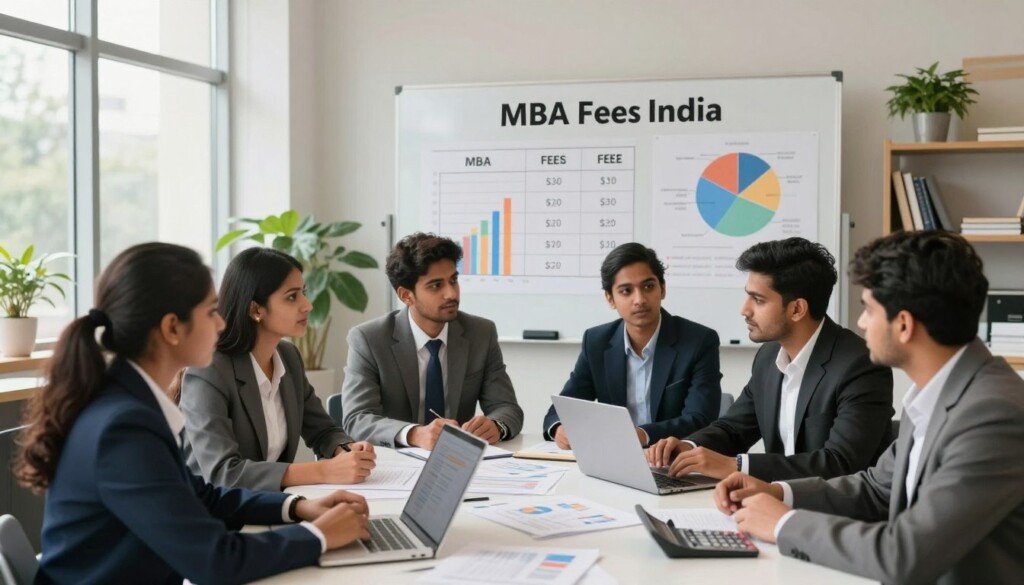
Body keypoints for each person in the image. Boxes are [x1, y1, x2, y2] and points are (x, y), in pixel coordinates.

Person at [15, 243, 371, 584]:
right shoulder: (123, 427)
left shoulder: (132, 403)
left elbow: (202, 496)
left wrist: (296, 508)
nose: (221, 324)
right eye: (211, 311)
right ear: (172, 328)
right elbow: (215, 561)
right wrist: (317, 537)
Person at [715, 231, 1024, 584]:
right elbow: (877, 488)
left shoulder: (993, 414)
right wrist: (776, 492)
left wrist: (783, 523)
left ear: (904, 325)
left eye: (868, 310)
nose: (860, 323)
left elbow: (905, 554)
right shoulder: (939, 393)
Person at [647, 238, 894, 481]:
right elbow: (733, 429)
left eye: (758, 299)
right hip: (774, 502)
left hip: (833, 512)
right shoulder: (769, 356)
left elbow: (839, 463)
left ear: (797, 309)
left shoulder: (860, 366)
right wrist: (688, 447)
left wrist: (737, 466)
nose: (745, 309)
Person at [180, 247, 376, 491]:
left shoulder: (289, 357)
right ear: (256, 310)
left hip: (269, 504)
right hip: (217, 513)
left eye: (303, 293)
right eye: (292, 297)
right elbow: (224, 473)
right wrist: (324, 470)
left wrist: (345, 449)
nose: (307, 306)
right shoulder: (210, 370)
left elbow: (323, 430)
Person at [342, 232, 523, 449]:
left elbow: (507, 408)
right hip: (395, 463)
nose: (451, 294)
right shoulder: (369, 339)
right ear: (406, 296)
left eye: (453, 280)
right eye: (436, 285)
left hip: (456, 460)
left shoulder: (480, 333)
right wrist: (415, 434)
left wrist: (496, 425)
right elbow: (358, 418)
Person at [542, 243, 722, 449]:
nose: (640, 300)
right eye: (626, 291)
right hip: (615, 457)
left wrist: (641, 434)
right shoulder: (596, 341)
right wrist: (559, 427)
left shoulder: (699, 341)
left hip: (672, 458)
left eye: (648, 286)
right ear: (610, 299)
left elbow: (700, 419)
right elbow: (564, 407)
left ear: (662, 289)